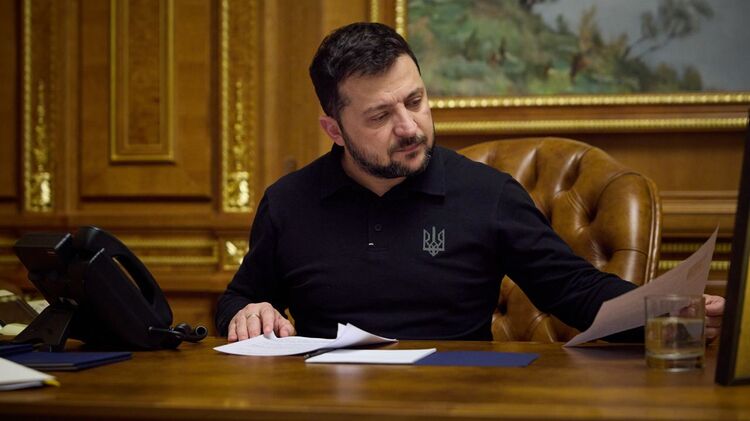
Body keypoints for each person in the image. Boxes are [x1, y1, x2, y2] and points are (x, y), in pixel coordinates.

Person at [215, 22, 724, 342]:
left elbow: (577, 291)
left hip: (460, 399)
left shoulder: (488, 195)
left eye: (415, 101)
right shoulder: (289, 202)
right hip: (327, 405)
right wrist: (247, 312)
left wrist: (668, 315)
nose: (410, 127)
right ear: (335, 130)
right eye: (380, 116)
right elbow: (238, 300)